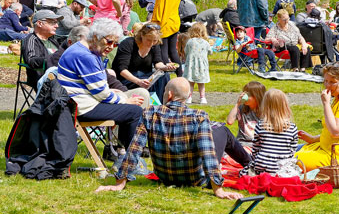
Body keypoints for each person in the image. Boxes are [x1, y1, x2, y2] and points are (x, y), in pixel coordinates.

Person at [94, 78, 242, 199]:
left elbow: (134, 149)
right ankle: (250, 163)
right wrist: (218, 189)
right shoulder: (199, 116)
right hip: (195, 179)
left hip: (165, 177)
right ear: (188, 96)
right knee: (222, 130)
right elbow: (208, 154)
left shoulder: (150, 113)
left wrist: (120, 182)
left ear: (169, 94)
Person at [57, 19, 148, 148]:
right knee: (135, 111)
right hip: (81, 108)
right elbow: (101, 94)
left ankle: (121, 153)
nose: (111, 47)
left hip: (76, 103)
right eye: (109, 41)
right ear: (95, 36)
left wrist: (113, 93)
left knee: (130, 106)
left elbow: (98, 89)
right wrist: (124, 100)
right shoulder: (86, 56)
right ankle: (130, 159)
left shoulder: (81, 49)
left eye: (115, 44)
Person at [239, 89, 301, 176]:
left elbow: (256, 149)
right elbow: (292, 151)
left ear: (265, 106)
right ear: (285, 105)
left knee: (244, 172)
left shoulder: (260, 125)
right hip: (283, 169)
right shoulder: (292, 127)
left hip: (263, 167)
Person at [112, 22, 175, 102]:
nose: (151, 43)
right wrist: (138, 81)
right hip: (128, 78)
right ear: (142, 35)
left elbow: (157, 62)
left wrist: (165, 67)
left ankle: (161, 104)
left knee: (164, 75)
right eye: (148, 40)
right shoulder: (128, 44)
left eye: (154, 41)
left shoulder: (154, 46)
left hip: (145, 77)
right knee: (142, 77)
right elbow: (121, 69)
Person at [142, 0, 184, 75]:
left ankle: (165, 76)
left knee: (163, 53)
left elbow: (159, 8)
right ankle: (181, 76)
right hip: (174, 23)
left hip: (164, 24)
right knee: (173, 51)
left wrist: (153, 24)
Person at [20, 10, 61, 85]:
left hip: (59, 77)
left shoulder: (53, 41)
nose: (57, 26)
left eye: (56, 22)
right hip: (43, 79)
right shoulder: (31, 40)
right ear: (40, 23)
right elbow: (31, 61)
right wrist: (52, 59)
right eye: (53, 22)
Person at [181, 22, 214, 104]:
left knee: (190, 83)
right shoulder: (205, 43)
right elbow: (210, 52)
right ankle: (202, 98)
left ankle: (189, 97)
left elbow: (186, 51)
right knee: (201, 83)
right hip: (202, 66)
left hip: (191, 66)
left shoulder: (190, 41)